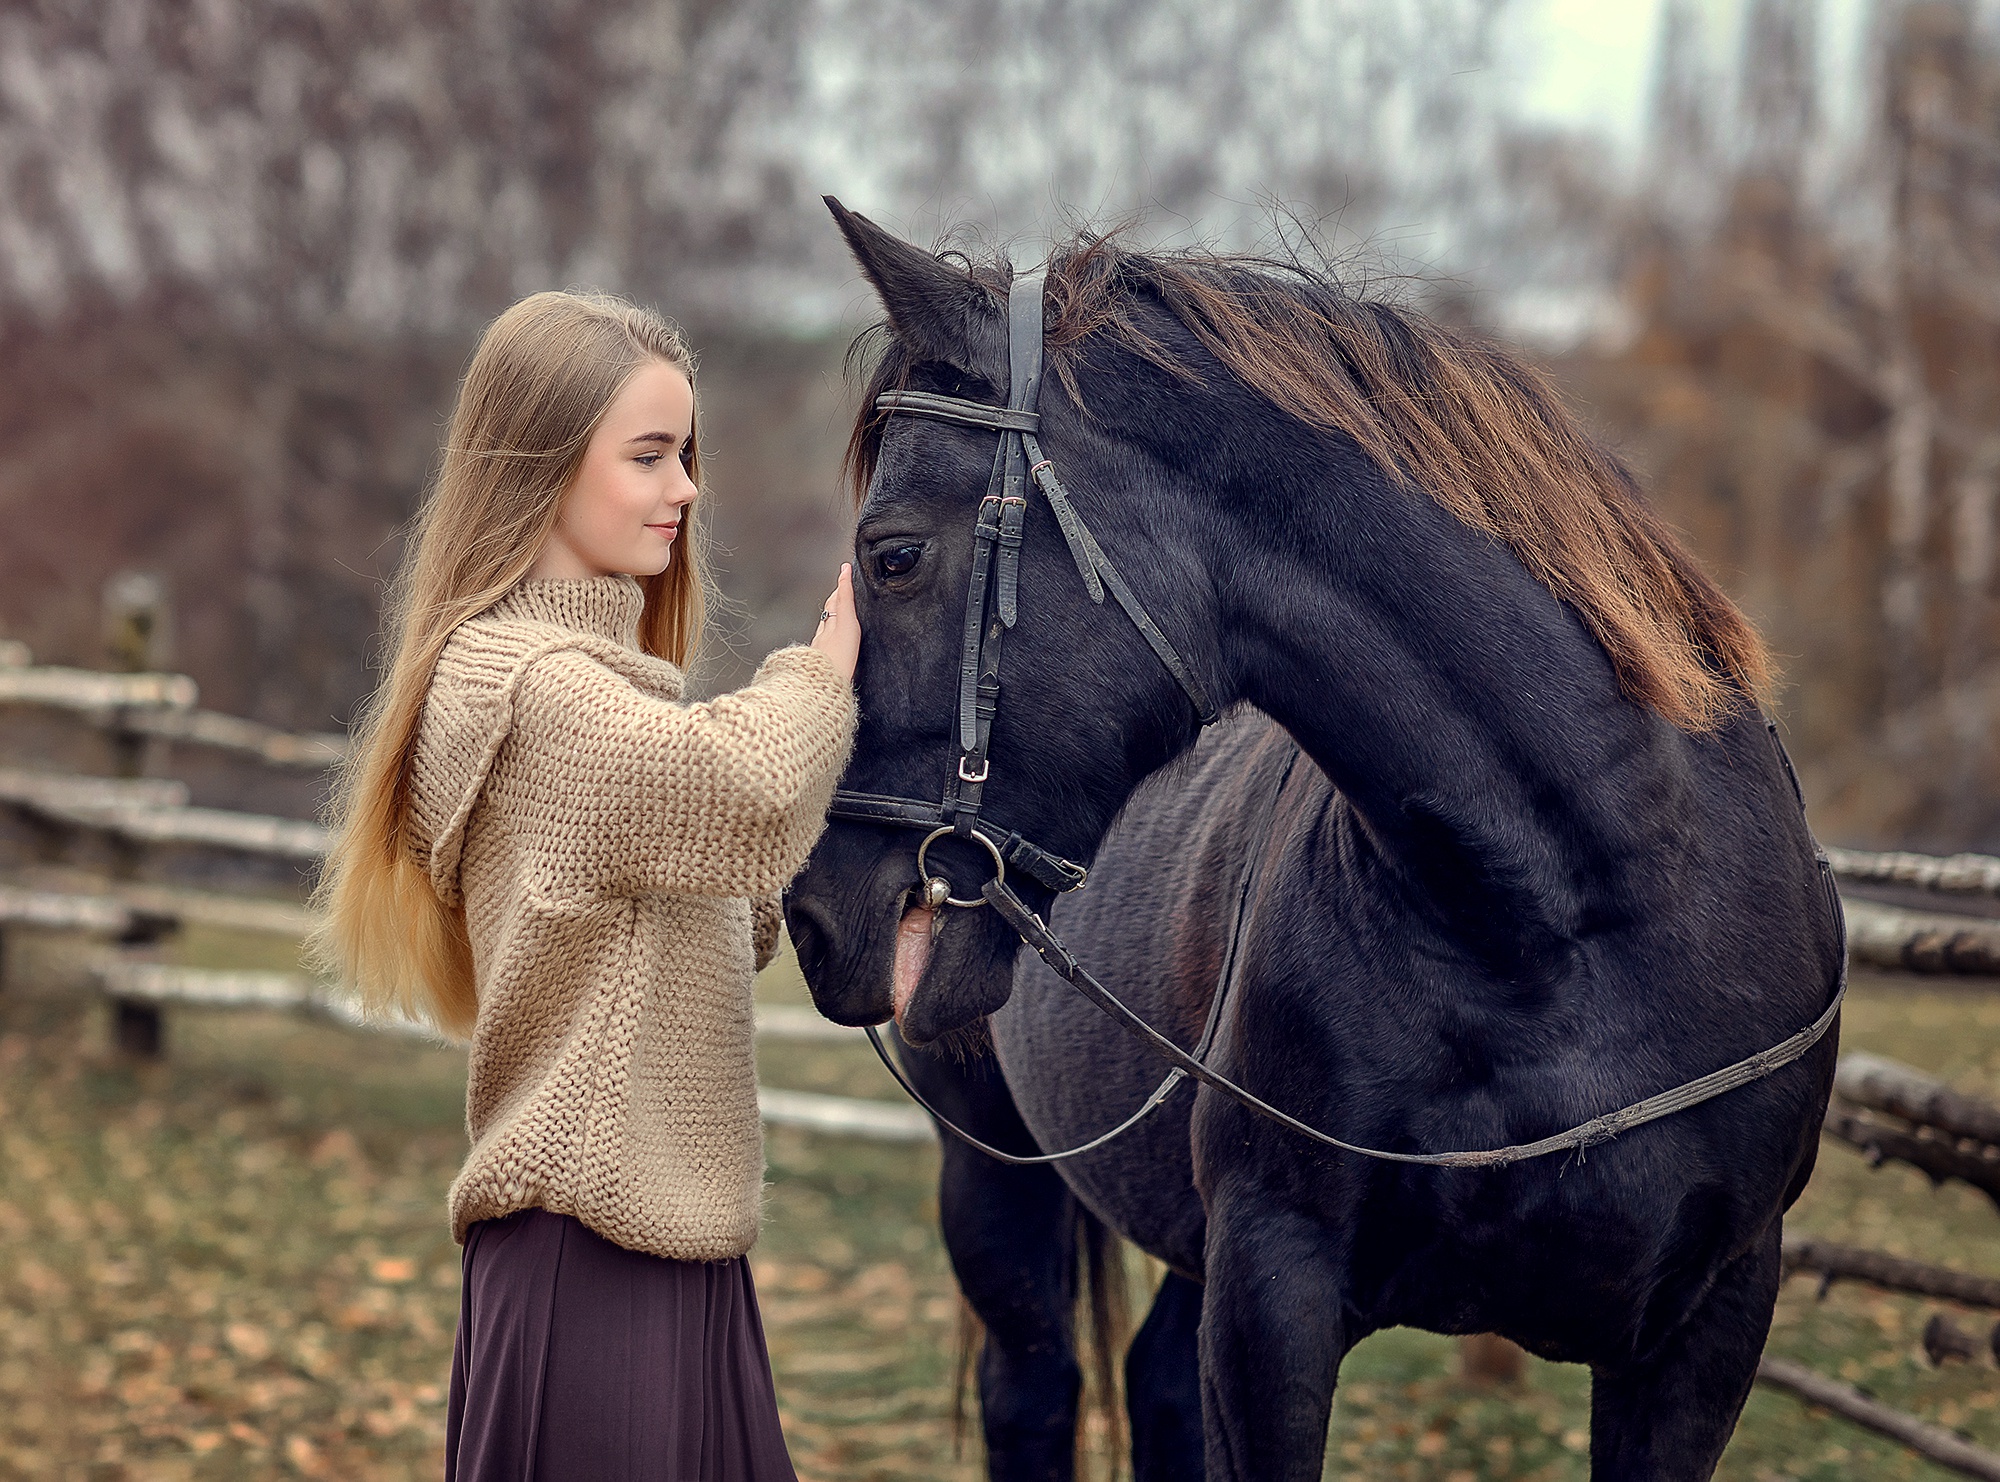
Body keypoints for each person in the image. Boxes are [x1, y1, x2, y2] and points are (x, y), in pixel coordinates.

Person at [310, 289, 859, 1480]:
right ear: (542, 469)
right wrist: (833, 656)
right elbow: (751, 792)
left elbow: (723, 902)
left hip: (676, 1253)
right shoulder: (528, 687)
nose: (686, 489)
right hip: (588, 1259)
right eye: (651, 455)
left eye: (689, 456)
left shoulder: (599, 690)